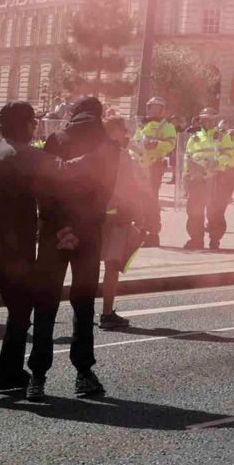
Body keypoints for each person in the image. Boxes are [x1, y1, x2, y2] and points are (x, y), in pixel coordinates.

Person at [0, 102, 79, 403]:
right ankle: (7, 372)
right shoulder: (26, 156)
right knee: (21, 311)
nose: (35, 127)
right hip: (12, 251)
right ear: (25, 125)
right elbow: (59, 185)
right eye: (33, 122)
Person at [33, 95, 117, 399]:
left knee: (46, 301)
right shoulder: (108, 147)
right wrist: (80, 226)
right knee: (83, 304)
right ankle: (83, 373)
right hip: (89, 232)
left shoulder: (56, 138)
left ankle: (37, 377)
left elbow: (43, 186)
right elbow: (105, 192)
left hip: (55, 232)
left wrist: (59, 226)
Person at [99, 115, 157, 330]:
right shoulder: (122, 157)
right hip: (116, 217)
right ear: (114, 131)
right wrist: (140, 214)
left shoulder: (92, 153)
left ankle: (84, 313)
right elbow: (131, 189)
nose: (125, 134)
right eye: (123, 130)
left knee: (87, 266)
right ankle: (106, 313)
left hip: (93, 218)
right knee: (112, 266)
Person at [182, 111, 225, 250]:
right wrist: (186, 177)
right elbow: (187, 158)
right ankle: (196, 239)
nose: (208, 123)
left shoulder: (222, 136)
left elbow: (229, 154)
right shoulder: (194, 138)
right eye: (205, 120)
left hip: (215, 178)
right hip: (197, 179)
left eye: (211, 120)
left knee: (214, 211)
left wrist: (218, 163)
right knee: (194, 211)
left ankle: (214, 240)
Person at [129, 98, 177, 200]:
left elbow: (171, 145)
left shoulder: (167, 126)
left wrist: (157, 144)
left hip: (154, 165)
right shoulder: (141, 124)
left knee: (151, 197)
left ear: (162, 110)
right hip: (137, 164)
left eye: (158, 108)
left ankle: (153, 215)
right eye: (152, 108)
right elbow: (135, 141)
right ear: (148, 109)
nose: (154, 111)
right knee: (136, 196)